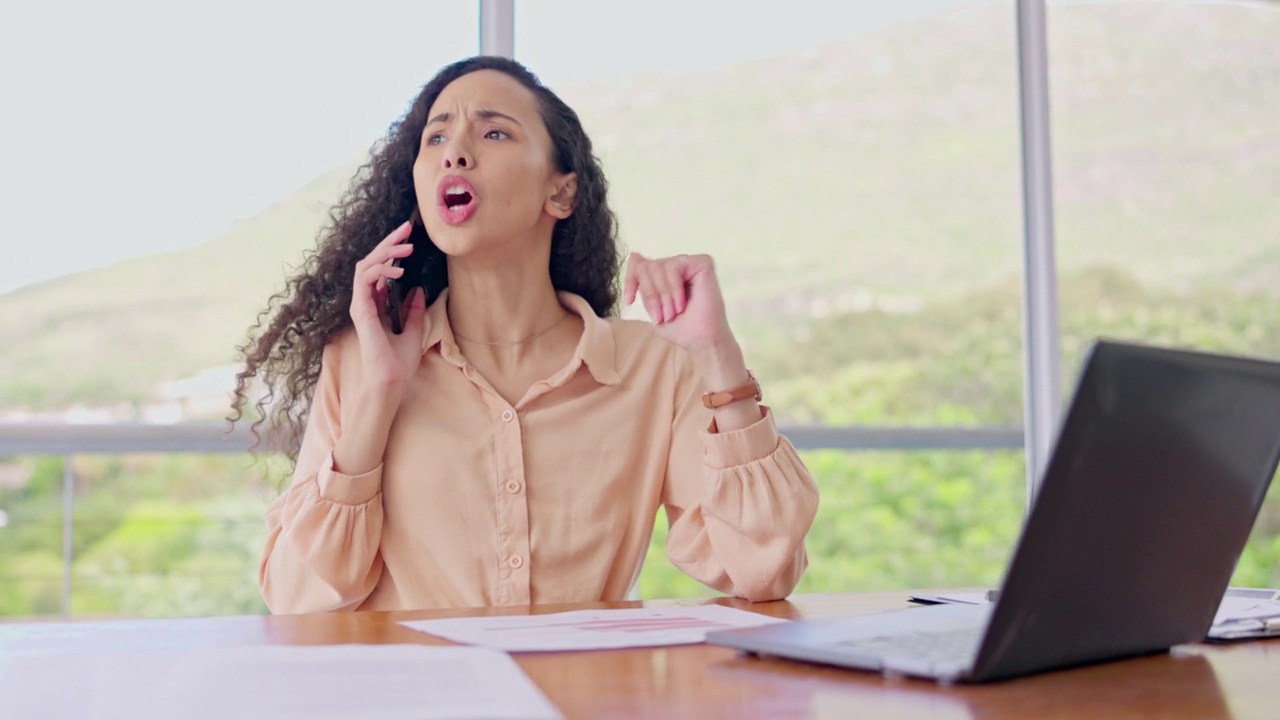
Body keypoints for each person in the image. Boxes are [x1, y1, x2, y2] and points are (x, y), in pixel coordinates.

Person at [232, 56, 819, 614]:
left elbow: (760, 571)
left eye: (493, 134)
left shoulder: (655, 368)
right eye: (435, 138)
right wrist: (380, 393)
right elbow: (296, 599)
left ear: (560, 191)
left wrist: (716, 354)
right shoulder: (362, 362)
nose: (454, 154)